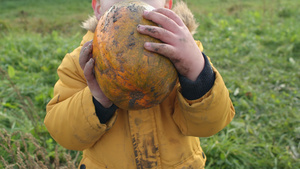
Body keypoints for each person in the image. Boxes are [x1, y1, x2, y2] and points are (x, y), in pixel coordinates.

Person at [44, 0, 235, 168]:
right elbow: (64, 134)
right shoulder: (81, 63)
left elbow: (212, 124)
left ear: (167, 6)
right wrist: (97, 100)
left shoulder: (186, 56)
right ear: (98, 7)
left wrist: (196, 72)